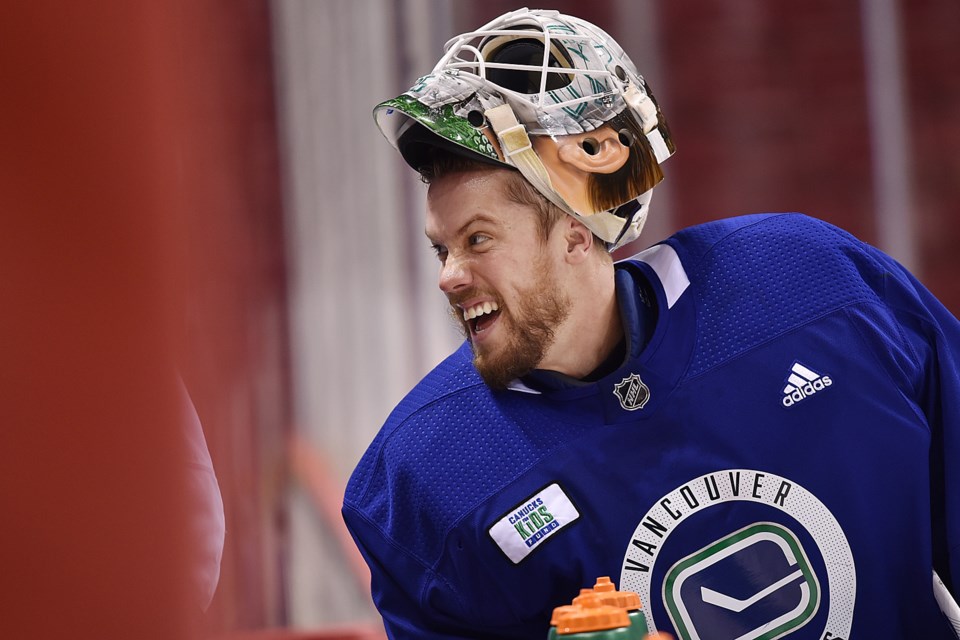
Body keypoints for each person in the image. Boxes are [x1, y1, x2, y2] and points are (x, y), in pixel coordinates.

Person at [342, 8, 960, 639]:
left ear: (577, 234)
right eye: (442, 249)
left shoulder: (817, 288)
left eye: (478, 239)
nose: (449, 277)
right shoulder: (425, 476)